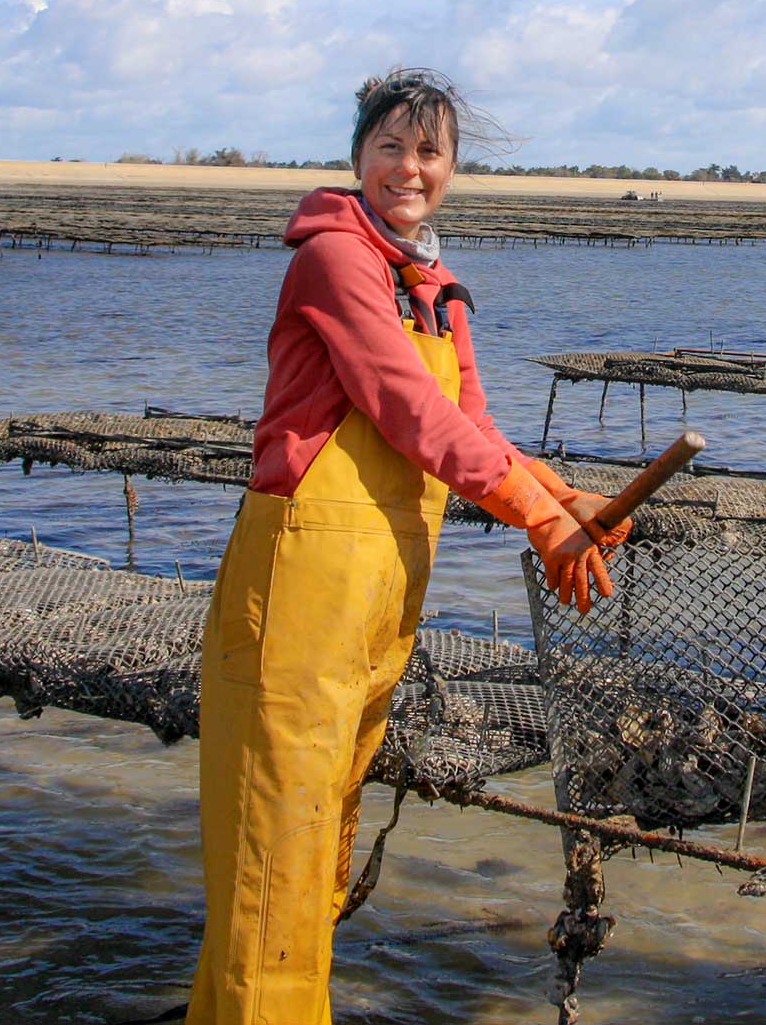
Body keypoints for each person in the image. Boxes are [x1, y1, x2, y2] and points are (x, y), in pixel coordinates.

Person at [188, 68, 627, 1024]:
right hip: (297, 595)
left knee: (322, 842)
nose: (409, 168)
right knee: (274, 855)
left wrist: (563, 494)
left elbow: (472, 422)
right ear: (357, 158)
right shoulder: (334, 261)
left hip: (377, 602)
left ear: (452, 167)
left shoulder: (435, 286)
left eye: (429, 151)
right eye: (390, 146)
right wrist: (536, 515)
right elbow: (405, 406)